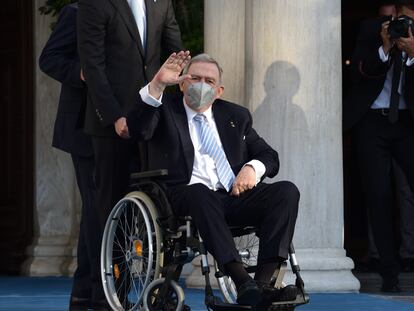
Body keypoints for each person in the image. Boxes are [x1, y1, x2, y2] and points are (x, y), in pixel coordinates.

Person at [127, 52, 300, 307]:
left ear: (218, 90)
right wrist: (157, 85)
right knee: (200, 192)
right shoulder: (164, 109)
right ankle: (242, 281)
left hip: (231, 196)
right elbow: (139, 129)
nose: (201, 84)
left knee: (286, 192)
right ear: (183, 82)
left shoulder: (235, 116)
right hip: (184, 196)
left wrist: (252, 168)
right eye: (195, 78)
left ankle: (263, 284)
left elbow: (268, 155)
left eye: (209, 81)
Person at [77, 1, 182, 308]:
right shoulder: (95, 4)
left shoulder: (162, 2)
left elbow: (174, 54)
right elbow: (93, 65)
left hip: (154, 121)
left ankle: (158, 293)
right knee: (108, 211)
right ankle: (106, 298)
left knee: (160, 210)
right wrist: (114, 116)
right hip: (113, 125)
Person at [344, 0, 414, 292]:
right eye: (402, 20)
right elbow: (358, 72)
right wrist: (385, 48)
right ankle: (389, 273)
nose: (404, 27)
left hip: (408, 121)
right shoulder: (371, 30)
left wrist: (413, 54)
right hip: (372, 122)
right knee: (378, 196)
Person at [38, 3, 101, 310]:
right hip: (85, 128)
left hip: (129, 126)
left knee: (112, 208)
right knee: (95, 207)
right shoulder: (78, 12)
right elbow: (49, 59)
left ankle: (93, 290)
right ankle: (87, 290)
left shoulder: (145, 14)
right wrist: (81, 72)